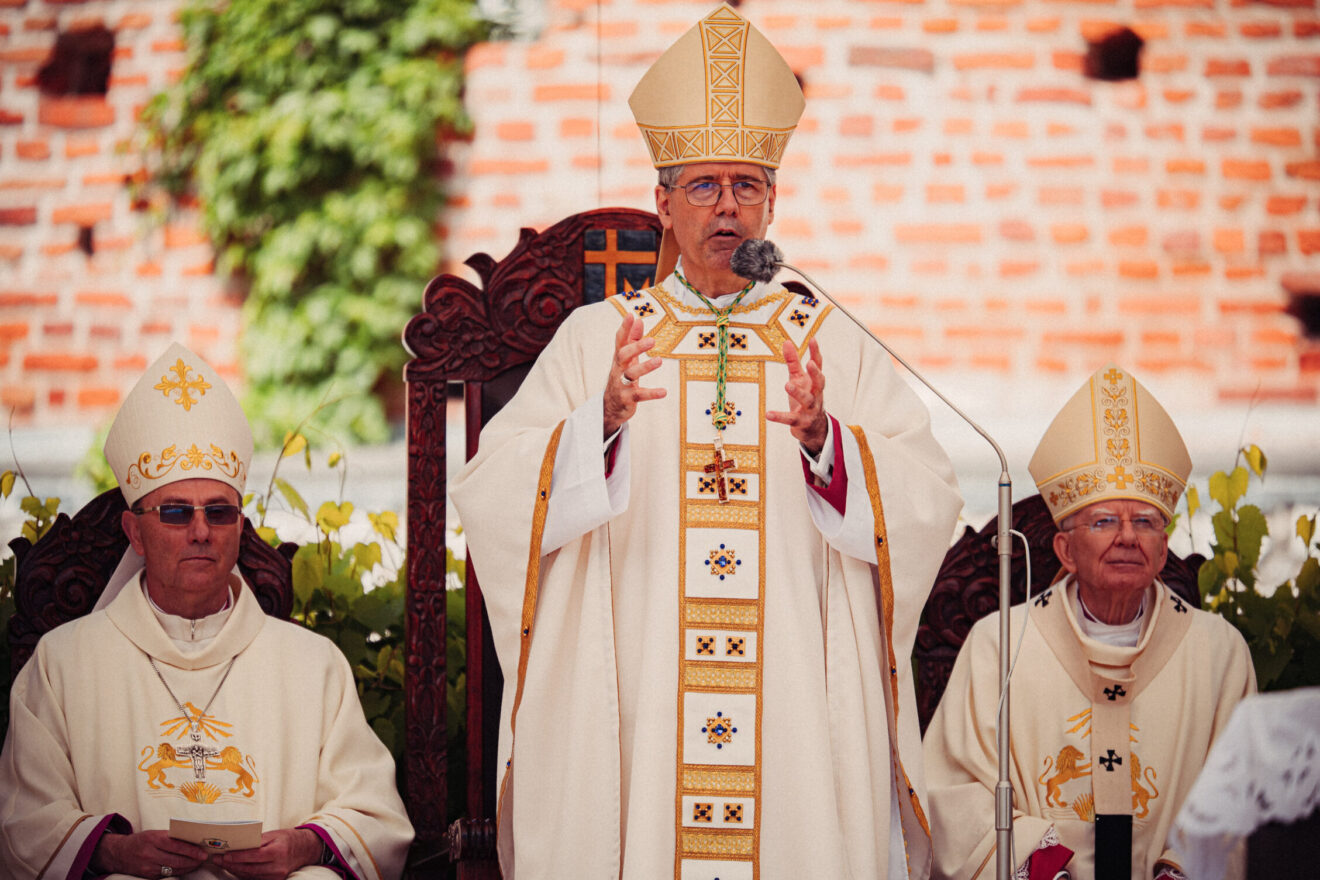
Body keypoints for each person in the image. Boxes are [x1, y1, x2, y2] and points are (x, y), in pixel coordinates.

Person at [448, 5, 963, 878]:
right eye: (703, 187)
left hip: (792, 697)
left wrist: (827, 443)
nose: (728, 207)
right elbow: (491, 493)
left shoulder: (829, 338)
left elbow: (927, 495)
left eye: (747, 186)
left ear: (773, 201)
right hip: (641, 696)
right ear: (664, 202)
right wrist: (598, 425)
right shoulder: (597, 339)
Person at [0, 342, 413, 880]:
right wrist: (114, 853)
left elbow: (374, 815)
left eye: (219, 513)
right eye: (175, 513)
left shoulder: (315, 666)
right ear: (134, 532)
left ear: (239, 528)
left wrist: (303, 847)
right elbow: (24, 822)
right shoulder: (63, 663)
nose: (200, 531)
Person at [923, 364, 1256, 880]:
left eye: (1144, 521)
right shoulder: (1000, 646)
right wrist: (1040, 867)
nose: (1127, 537)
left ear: (1163, 549)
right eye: (1104, 521)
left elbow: (1240, 797)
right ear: (1065, 550)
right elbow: (955, 795)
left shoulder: (1219, 653)